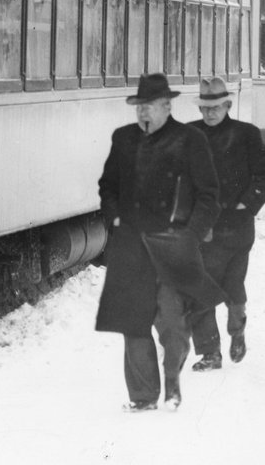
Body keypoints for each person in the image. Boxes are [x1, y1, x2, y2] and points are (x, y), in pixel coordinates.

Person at [95, 73, 222, 412]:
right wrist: (115, 219)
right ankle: (143, 397)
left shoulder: (190, 139)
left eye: (148, 107)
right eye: (139, 108)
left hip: (172, 244)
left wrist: (191, 236)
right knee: (133, 322)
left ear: (167, 107)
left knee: (173, 326)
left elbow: (209, 196)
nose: (142, 114)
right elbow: (108, 186)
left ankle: (173, 376)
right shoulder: (123, 139)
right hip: (132, 246)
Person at [186, 76, 265, 371]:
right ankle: (210, 352)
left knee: (233, 287)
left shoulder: (246, 134)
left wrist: (247, 203)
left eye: (215, 107)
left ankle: (237, 331)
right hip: (204, 228)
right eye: (204, 108)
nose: (209, 113)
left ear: (227, 105)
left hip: (237, 228)